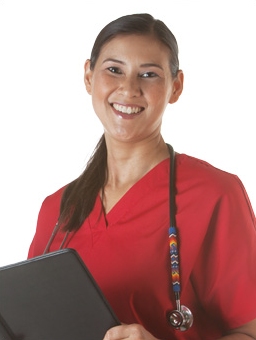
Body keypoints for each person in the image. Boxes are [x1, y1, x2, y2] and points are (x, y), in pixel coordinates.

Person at [28, 13, 256, 340]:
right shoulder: (56, 210)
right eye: (114, 70)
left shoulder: (215, 195)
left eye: (148, 74)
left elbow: (249, 330)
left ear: (175, 87)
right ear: (89, 77)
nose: (129, 88)